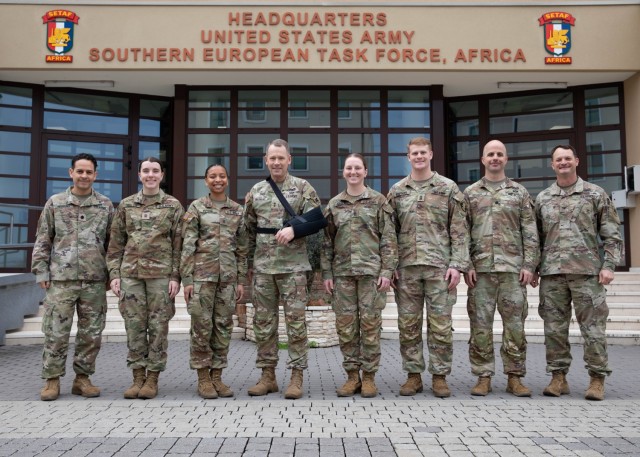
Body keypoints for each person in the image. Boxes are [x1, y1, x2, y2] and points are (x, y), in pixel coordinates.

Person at [534, 144, 622, 401]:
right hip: (552, 275)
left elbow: (611, 234)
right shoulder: (543, 198)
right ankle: (558, 377)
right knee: (554, 329)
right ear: (552, 164)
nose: (563, 163)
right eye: (558, 159)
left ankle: (597, 379)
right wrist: (534, 267)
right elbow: (535, 238)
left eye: (567, 158)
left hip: (587, 274)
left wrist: (609, 266)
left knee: (593, 329)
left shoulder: (595, 194)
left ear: (576, 161)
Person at [387, 137, 470, 398]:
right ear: (408, 157)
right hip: (407, 269)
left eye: (423, 152)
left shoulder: (448, 188)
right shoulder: (398, 191)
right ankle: (413, 376)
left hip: (439, 269)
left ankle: (439, 376)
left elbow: (459, 230)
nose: (419, 156)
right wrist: (391, 266)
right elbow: (390, 233)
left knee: (441, 326)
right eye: (414, 153)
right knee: (408, 325)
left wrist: (457, 265)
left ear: (431, 154)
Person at [243, 138, 323, 399]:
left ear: (290, 160)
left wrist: (294, 229)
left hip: (293, 268)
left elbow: (318, 220)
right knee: (264, 324)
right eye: (272, 158)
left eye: (281, 158)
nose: (276, 162)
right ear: (266, 161)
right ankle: (268, 376)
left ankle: (296, 377)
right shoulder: (256, 191)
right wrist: (246, 268)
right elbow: (247, 231)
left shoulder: (302, 188)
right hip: (264, 268)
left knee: (296, 324)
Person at [31, 153, 114, 401]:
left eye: (89, 172)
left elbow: (114, 243)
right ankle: (52, 380)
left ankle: (82, 379)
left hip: (94, 280)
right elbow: (43, 238)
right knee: (56, 332)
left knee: (91, 333)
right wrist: (41, 271)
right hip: (61, 279)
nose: (84, 176)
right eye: (80, 171)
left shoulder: (105, 205)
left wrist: (113, 273)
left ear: (95, 175)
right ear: (71, 173)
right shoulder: (55, 203)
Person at [463, 140, 539, 397]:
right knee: (480, 326)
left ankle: (514, 377)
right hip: (481, 272)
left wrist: (529, 264)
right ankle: (483, 376)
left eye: (499, 154)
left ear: (506, 159)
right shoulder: (471, 193)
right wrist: (468, 265)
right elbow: (462, 233)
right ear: (483, 160)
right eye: (490, 154)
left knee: (515, 326)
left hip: (512, 271)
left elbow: (529, 231)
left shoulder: (519, 193)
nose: (495, 158)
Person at [321, 154, 398, 398]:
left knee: (370, 327)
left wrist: (387, 271)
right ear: (343, 172)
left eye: (357, 168)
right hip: (342, 275)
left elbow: (388, 239)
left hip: (370, 276)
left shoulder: (378, 201)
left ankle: (370, 378)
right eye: (348, 168)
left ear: (365, 171)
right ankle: (352, 376)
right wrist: (326, 273)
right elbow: (326, 243)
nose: (353, 172)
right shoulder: (334, 205)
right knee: (346, 328)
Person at [107, 157, 184, 400]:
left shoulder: (173, 206)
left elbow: (178, 245)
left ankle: (152, 378)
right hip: (131, 275)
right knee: (134, 328)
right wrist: (114, 274)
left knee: (159, 328)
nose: (150, 175)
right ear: (139, 175)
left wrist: (175, 277)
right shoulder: (126, 205)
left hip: (161, 277)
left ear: (162, 175)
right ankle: (137, 376)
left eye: (155, 171)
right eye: (146, 171)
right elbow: (116, 242)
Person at [180, 164, 248, 399]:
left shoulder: (237, 211)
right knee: (201, 327)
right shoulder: (197, 208)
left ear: (227, 180)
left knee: (223, 327)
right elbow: (188, 245)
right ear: (206, 180)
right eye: (212, 176)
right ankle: (203, 378)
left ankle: (217, 376)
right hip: (202, 278)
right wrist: (187, 279)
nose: (217, 180)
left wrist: (240, 280)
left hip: (227, 279)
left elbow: (242, 248)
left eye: (221, 176)